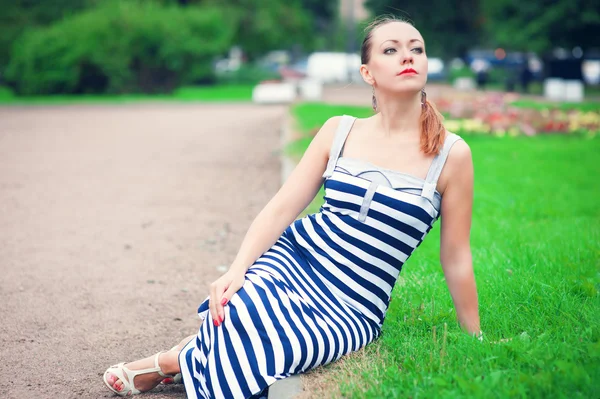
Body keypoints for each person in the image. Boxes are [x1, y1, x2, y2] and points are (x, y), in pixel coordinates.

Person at [103, 16, 481, 399]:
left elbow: (456, 257)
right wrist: (238, 268)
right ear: (368, 72)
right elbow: (282, 209)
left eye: (416, 48)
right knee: (240, 307)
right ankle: (192, 360)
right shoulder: (340, 131)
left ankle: (172, 362)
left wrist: (475, 337)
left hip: (353, 304)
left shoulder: (451, 155)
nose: (408, 57)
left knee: (276, 340)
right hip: (295, 260)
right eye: (391, 49)